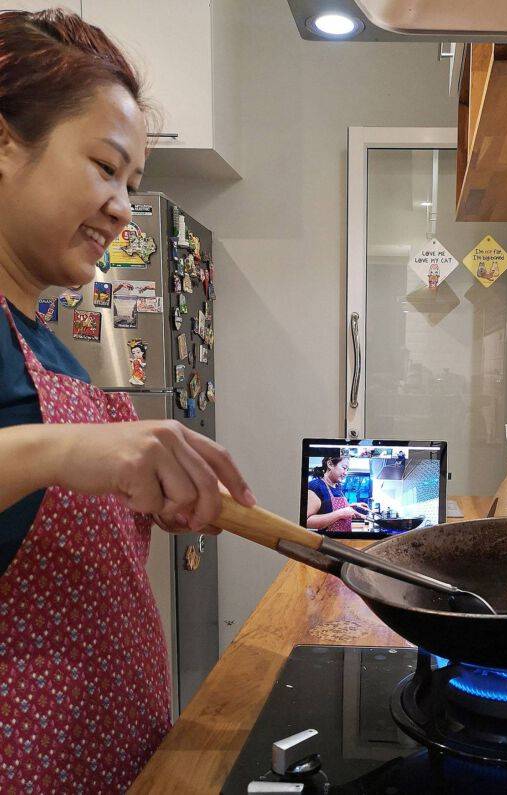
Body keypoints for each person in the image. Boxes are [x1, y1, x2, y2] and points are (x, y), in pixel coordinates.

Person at [0, 9, 254, 791]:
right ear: (5, 146)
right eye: (105, 167)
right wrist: (67, 450)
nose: (120, 206)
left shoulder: (42, 340)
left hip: (103, 759)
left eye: (132, 184)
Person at [306, 455, 368, 533]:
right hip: (328, 540)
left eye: (347, 469)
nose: (346, 473)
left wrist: (352, 506)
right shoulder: (316, 486)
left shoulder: (337, 486)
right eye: (344, 468)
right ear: (330, 464)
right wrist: (340, 513)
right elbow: (307, 521)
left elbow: (328, 507)